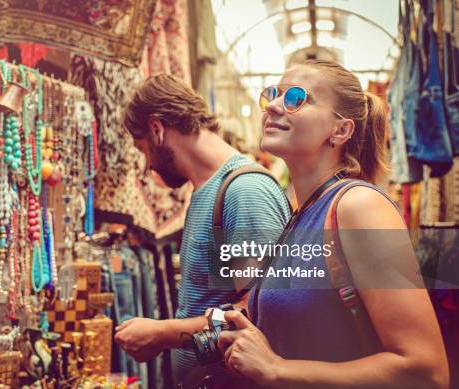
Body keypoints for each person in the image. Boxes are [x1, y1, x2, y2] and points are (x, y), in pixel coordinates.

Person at [217, 59, 449, 389]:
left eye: (297, 97)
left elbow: (425, 371)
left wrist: (277, 369)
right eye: (273, 94)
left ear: (340, 130)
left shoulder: (359, 206)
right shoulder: (302, 214)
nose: (274, 106)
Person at [114, 74, 291, 383]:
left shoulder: (243, 192)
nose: (148, 166)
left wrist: (162, 333)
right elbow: (225, 298)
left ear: (156, 129)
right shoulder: (209, 190)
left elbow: (254, 315)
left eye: (142, 150)